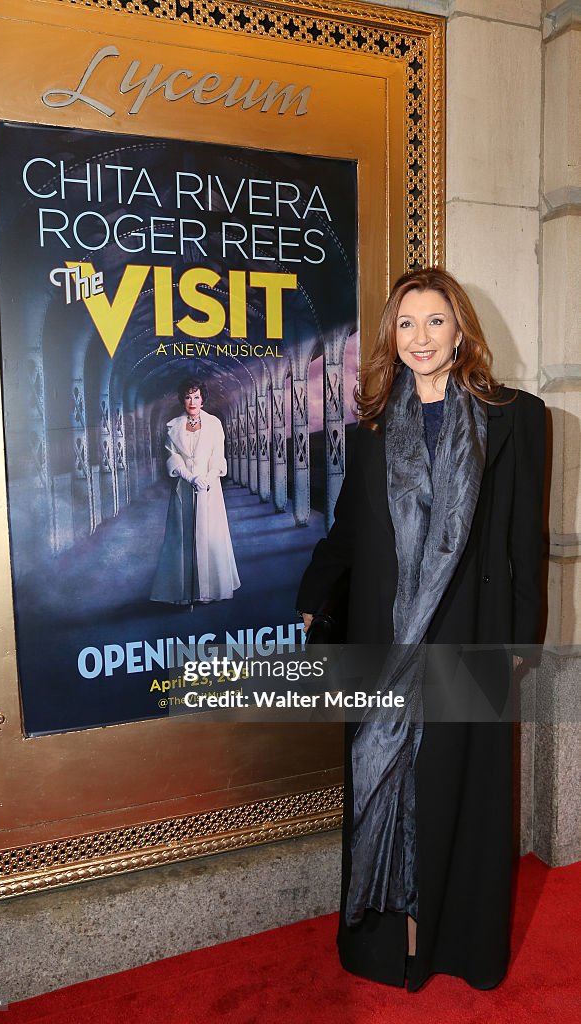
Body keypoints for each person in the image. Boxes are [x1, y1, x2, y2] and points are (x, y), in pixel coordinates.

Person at [296, 268, 546, 991]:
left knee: (457, 792)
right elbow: (347, 534)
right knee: (384, 779)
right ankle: (387, 940)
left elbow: (525, 541)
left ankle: (454, 943)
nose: (421, 338)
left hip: (470, 634)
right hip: (387, 640)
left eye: (435, 321)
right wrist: (315, 596)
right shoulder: (370, 428)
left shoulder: (517, 418)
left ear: (461, 328)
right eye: (406, 324)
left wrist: (521, 640)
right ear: (390, 336)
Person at [151, 378, 240, 605]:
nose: (192, 401)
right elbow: (172, 457)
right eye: (188, 396)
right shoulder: (172, 426)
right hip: (184, 486)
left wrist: (207, 479)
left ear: (203, 399)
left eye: (197, 396)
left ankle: (209, 590)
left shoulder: (214, 424)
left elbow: (218, 456)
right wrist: (189, 477)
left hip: (209, 488)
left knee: (209, 536)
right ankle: (184, 592)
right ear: (183, 399)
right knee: (182, 537)